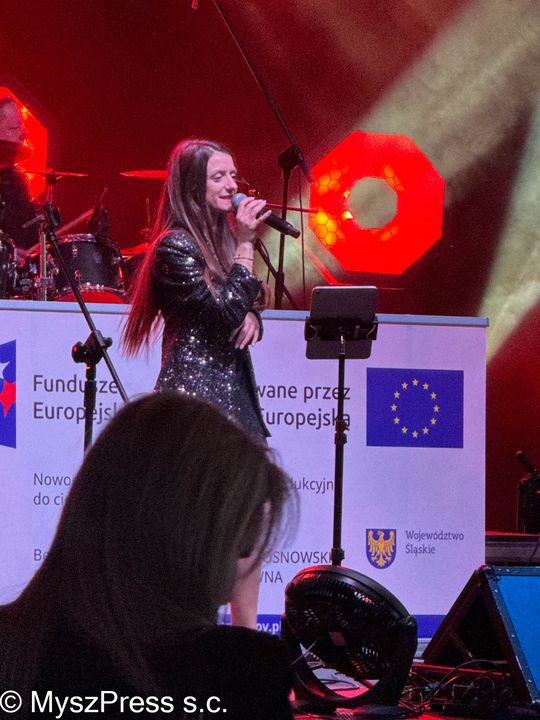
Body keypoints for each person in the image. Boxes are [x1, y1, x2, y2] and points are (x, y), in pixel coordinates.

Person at [0, 392, 296, 720]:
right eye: (240, 544)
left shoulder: (14, 649)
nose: (239, 574)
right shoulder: (239, 674)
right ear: (191, 539)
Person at [122, 139, 273, 627]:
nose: (232, 185)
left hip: (235, 397)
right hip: (195, 400)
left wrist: (254, 313)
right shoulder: (174, 246)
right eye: (218, 177)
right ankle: (195, 635)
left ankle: (247, 636)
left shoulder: (222, 241)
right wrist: (246, 245)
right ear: (192, 185)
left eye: (234, 175)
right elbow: (221, 310)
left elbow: (244, 300)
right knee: (202, 530)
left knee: (254, 519)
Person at [0, 96, 38, 254]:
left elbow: (31, 237)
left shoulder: (19, 179)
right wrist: (11, 253)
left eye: (22, 126)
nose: (25, 134)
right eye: (15, 128)